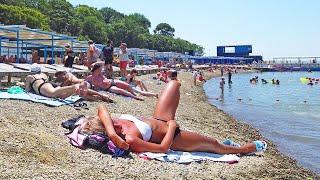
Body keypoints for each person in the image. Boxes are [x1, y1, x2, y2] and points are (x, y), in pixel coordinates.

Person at [79, 81, 267, 154]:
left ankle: (227, 145)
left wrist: (112, 132)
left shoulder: (115, 124)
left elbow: (102, 107)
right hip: (174, 136)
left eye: (112, 122)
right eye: (111, 125)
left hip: (160, 118)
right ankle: (245, 149)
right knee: (216, 145)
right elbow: (162, 148)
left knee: (174, 84)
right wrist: (171, 127)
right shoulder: (130, 140)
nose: (116, 122)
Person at [22, 64, 111, 102]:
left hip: (44, 87)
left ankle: (75, 88)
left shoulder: (30, 77)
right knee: (63, 95)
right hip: (47, 85)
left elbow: (27, 90)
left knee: (54, 93)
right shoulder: (43, 75)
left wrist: (23, 85)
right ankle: (100, 97)